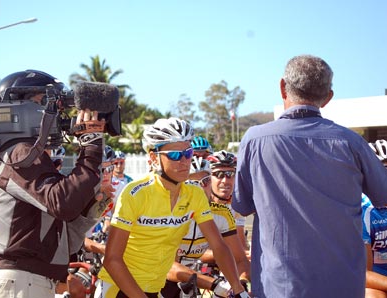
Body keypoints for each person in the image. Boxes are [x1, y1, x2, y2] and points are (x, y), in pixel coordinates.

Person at [232, 54, 387, 297]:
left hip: (281, 287)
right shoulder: (352, 142)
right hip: (343, 286)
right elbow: (383, 196)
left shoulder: (255, 139)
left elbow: (241, 206)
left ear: (283, 87)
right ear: (328, 98)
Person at [0, 70, 108, 298]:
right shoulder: (20, 153)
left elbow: (62, 241)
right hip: (18, 280)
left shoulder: (27, 156)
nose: (56, 113)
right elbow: (63, 203)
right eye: (43, 103)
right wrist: (91, 146)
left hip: (27, 280)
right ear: (18, 109)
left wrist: (90, 208)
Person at [96, 117, 249, 297]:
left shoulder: (195, 194)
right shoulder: (135, 193)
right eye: (175, 155)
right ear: (154, 157)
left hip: (155, 287)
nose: (184, 161)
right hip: (119, 287)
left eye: (188, 153)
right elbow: (112, 259)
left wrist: (238, 289)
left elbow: (219, 246)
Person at [161, 155, 251, 298]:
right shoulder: (170, 214)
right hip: (164, 277)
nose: (200, 188)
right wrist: (215, 284)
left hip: (196, 276)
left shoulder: (222, 214)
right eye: (192, 183)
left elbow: (239, 259)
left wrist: (240, 284)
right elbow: (166, 267)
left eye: (205, 181)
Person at [207, 150, 249, 255]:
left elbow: (241, 245)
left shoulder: (235, 205)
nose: (225, 180)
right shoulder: (199, 204)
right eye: (219, 174)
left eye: (230, 174)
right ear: (208, 178)